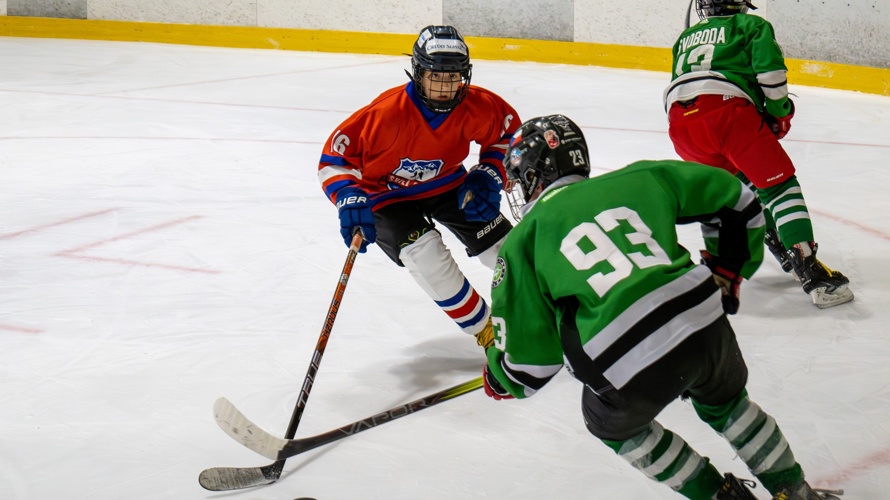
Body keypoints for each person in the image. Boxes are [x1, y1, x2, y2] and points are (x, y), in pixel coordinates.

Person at [483, 115, 841, 499]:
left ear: (535, 176)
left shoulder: (521, 242)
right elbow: (737, 200)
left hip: (623, 360)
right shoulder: (639, 177)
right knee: (729, 406)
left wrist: (499, 375)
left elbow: (531, 368)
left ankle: (719, 496)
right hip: (702, 321)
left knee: (608, 422)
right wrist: (726, 272)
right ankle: (796, 493)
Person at [318, 25, 518, 350]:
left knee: (505, 248)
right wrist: (349, 196)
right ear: (418, 72)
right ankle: (487, 332)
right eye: (435, 76)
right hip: (383, 196)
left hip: (448, 182)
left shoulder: (479, 105)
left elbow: (507, 137)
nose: (444, 87)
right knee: (424, 253)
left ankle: (545, 313)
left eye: (453, 77)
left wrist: (488, 174)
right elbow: (334, 160)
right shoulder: (384, 115)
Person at [663, 0, 852, 309]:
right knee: (779, 186)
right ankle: (811, 271)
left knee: (746, 184)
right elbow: (772, 77)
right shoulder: (752, 26)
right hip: (727, 115)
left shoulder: (685, 38)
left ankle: (777, 240)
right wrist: (780, 112)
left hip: (682, 127)